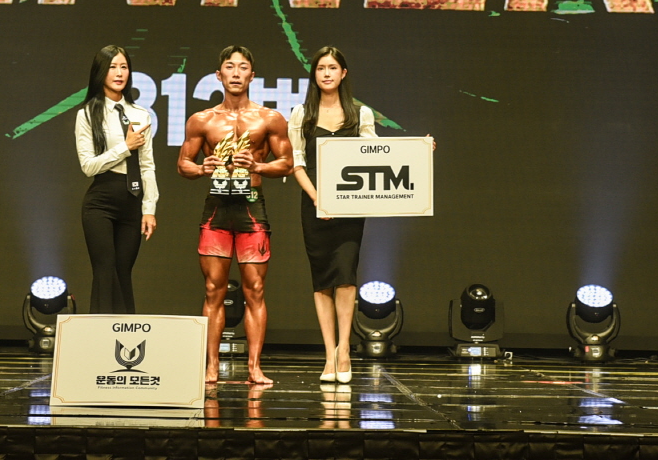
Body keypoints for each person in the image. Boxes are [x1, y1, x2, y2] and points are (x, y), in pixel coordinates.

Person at [290, 46, 435, 384]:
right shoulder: (301, 114)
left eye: (332, 67)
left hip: (348, 207)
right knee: (322, 281)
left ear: (343, 74)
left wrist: (419, 151)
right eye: (321, 68)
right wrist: (318, 198)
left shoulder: (360, 114)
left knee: (345, 276)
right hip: (314, 206)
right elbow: (297, 164)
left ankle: (344, 350)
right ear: (314, 74)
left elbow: (375, 156)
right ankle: (328, 354)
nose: (326, 73)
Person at [178, 45, 293, 386]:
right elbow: (183, 164)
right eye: (230, 66)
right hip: (217, 207)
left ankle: (254, 368)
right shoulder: (202, 120)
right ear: (219, 75)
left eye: (243, 67)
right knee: (213, 288)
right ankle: (211, 367)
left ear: (252, 76)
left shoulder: (270, 118)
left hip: (250, 207)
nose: (236, 73)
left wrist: (258, 165)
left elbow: (286, 163)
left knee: (255, 288)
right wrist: (202, 168)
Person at [74, 45, 158, 314]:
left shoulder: (141, 114)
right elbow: (88, 166)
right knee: (105, 268)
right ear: (101, 72)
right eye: (112, 67)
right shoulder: (88, 114)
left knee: (123, 271)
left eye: (124, 67)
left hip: (132, 200)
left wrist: (149, 208)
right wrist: (125, 146)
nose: (119, 73)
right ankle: (99, 332)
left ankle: (124, 332)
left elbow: (147, 166)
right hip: (101, 201)